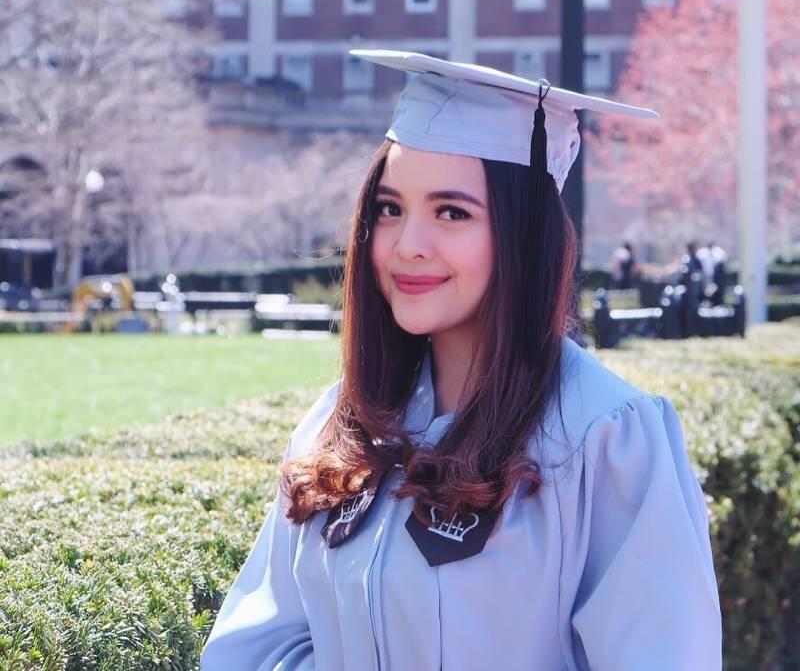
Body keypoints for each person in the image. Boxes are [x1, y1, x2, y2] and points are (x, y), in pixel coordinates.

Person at [201, 51, 722, 671]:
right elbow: (258, 646)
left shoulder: (603, 440)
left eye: (452, 212)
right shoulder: (341, 424)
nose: (407, 245)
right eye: (390, 209)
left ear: (523, 234)